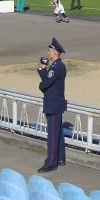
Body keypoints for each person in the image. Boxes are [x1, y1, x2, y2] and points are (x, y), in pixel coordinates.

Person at [37, 38, 67, 173]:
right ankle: (60, 159)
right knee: (58, 134)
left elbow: (45, 84)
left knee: (53, 136)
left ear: (55, 52)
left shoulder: (56, 67)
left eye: (49, 50)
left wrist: (41, 84)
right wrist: (42, 69)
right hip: (56, 103)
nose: (47, 53)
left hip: (53, 104)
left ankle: (50, 163)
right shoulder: (56, 67)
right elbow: (49, 80)